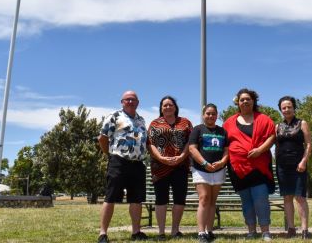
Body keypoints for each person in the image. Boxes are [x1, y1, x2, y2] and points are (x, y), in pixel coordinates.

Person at [223, 88, 276, 241]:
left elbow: (272, 136)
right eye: (242, 99)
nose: (245, 101)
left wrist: (260, 150)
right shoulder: (229, 122)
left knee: (261, 199)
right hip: (238, 168)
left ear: (253, 101)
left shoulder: (264, 119)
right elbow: (224, 142)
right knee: (246, 201)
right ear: (238, 103)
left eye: (248, 99)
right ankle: (251, 231)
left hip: (259, 166)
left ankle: (265, 231)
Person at [98, 90, 148, 243]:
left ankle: (136, 231)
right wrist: (110, 154)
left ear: (138, 102)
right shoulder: (114, 116)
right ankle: (103, 233)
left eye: (133, 99)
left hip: (138, 164)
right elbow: (102, 138)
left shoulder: (141, 120)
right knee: (110, 197)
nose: (130, 102)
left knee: (136, 199)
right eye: (127, 99)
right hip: (118, 162)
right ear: (122, 102)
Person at [147, 96, 193, 240]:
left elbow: (190, 143)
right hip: (160, 167)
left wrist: (181, 157)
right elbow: (150, 144)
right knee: (161, 199)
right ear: (161, 108)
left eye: (170, 105)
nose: (167, 107)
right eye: (165, 105)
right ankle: (161, 232)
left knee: (179, 199)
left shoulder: (185, 122)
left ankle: (175, 230)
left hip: (181, 166)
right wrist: (161, 158)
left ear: (175, 107)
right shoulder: (154, 123)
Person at [188, 103, 229, 243]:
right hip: (201, 170)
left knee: (212, 200)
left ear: (217, 115)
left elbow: (226, 150)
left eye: (213, 114)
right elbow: (192, 149)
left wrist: (223, 162)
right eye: (208, 113)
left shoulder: (222, 131)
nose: (211, 116)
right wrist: (204, 163)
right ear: (203, 115)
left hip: (218, 169)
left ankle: (209, 230)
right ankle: (201, 232)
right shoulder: (197, 129)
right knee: (204, 198)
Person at [275, 96, 312, 240]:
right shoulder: (277, 126)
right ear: (281, 110)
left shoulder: (302, 123)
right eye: (283, 108)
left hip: (298, 166)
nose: (286, 109)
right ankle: (291, 229)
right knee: (287, 197)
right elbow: (276, 146)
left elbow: (308, 144)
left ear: (294, 108)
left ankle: (304, 230)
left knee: (300, 197)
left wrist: (303, 161)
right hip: (282, 166)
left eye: (289, 106)